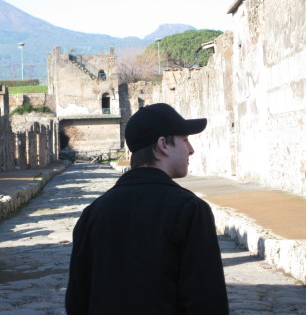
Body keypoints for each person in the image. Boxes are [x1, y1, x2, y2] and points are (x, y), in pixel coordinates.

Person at [65, 103, 229, 315]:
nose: (191, 149)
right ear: (163, 144)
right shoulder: (189, 209)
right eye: (185, 140)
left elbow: (77, 299)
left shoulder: (94, 212)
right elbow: (206, 299)